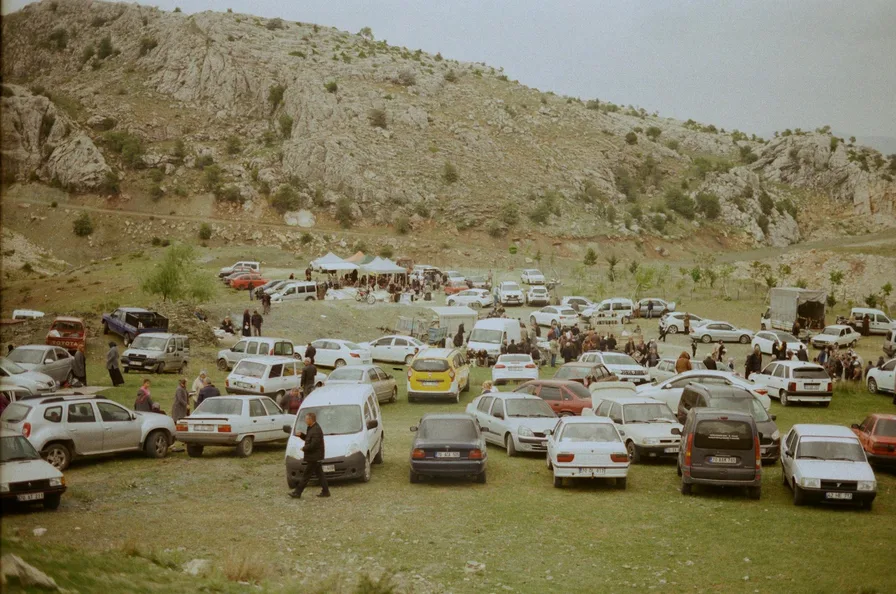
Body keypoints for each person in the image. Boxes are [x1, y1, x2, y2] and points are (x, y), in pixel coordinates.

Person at [289, 412, 330, 499]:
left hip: (314, 457)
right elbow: (309, 438)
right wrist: (302, 436)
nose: (305, 420)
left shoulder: (316, 430)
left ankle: (297, 492)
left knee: (306, 476)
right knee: (320, 474)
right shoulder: (311, 428)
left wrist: (304, 448)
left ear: (311, 420)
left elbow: (314, 444)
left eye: (306, 419)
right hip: (314, 456)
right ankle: (326, 491)